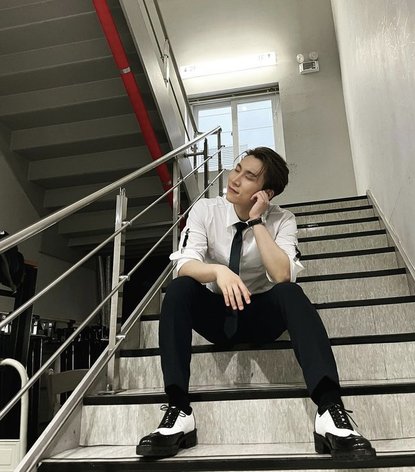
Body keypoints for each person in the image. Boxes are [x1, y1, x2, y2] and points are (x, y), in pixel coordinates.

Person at [136, 147, 376, 461]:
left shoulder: (283, 220)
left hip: (261, 317)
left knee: (290, 293)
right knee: (180, 289)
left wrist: (257, 222)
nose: (234, 179)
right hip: (218, 315)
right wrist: (218, 271)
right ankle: (178, 410)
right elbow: (184, 264)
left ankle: (330, 410)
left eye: (248, 176)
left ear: (266, 193)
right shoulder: (205, 210)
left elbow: (282, 274)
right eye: (237, 169)